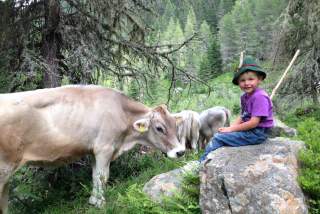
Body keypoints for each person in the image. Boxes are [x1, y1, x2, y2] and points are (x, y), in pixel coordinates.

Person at [199, 56, 274, 162]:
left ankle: (201, 163)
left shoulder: (260, 97)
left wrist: (231, 129)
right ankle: (211, 157)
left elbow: (253, 122)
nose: (247, 83)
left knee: (218, 138)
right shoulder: (245, 97)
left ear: (259, 79)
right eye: (242, 80)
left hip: (257, 133)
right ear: (238, 83)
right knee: (222, 134)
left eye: (251, 79)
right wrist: (231, 127)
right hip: (251, 131)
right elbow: (243, 116)